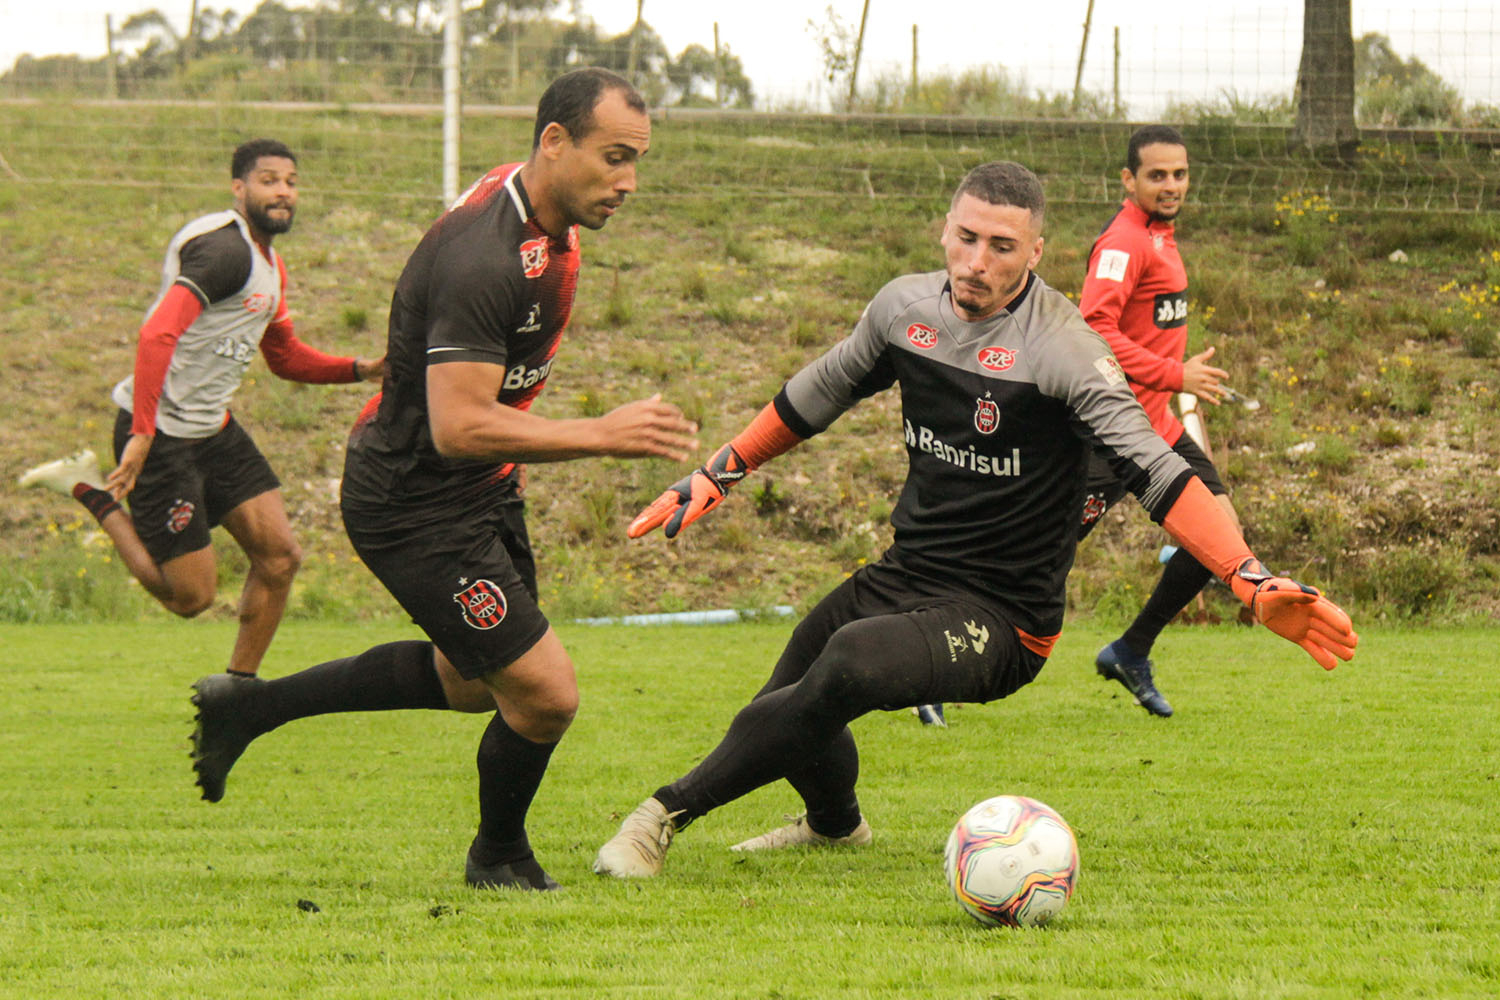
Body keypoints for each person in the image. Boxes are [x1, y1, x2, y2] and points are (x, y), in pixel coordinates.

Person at [592, 161, 1357, 879]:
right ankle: (834, 824)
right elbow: (814, 394)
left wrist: (1249, 579)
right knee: (798, 679)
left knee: (850, 662)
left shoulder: (1063, 349)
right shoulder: (903, 310)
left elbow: (1161, 470)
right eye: (966, 238)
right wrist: (718, 472)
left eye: (1001, 247)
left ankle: (659, 818)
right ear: (944, 231)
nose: (977, 262)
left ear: (1035, 252)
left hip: (1004, 616)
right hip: (908, 572)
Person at [185, 68, 698, 892]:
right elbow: (458, 423)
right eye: (613, 158)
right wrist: (598, 434)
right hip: (413, 500)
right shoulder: (484, 257)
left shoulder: (534, 209)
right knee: (544, 695)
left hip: (477, 487)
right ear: (554, 144)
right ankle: (497, 858)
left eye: (637, 160)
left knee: (471, 684)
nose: (628, 182)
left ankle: (252, 707)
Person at [19, 138, 384, 678]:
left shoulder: (269, 263)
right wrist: (142, 433)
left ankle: (236, 691)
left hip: (213, 429)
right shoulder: (225, 251)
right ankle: (88, 489)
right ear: (239, 189)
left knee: (280, 557)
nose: (283, 191)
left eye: (291, 181)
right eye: (268, 180)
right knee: (189, 598)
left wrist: (361, 368)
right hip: (161, 433)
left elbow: (283, 357)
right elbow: (156, 334)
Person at [1076, 124, 1239, 717]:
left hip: (1157, 427)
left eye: (1180, 174)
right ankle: (934, 657)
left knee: (1221, 537)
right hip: (1107, 431)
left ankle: (1131, 649)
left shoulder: (1161, 237)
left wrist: (1174, 376)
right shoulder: (1124, 242)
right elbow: (1096, 330)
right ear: (1129, 179)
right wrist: (1175, 376)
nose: (1171, 185)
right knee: (1032, 558)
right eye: (1157, 175)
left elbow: (1147, 329)